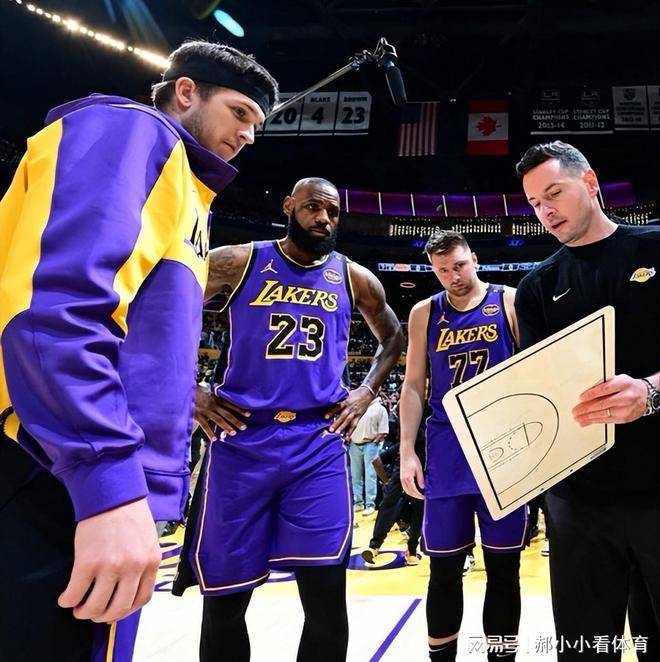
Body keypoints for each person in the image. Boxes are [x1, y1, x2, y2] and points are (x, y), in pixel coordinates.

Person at [0, 41, 278, 662]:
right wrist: (108, 482)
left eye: (257, 125)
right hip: (47, 464)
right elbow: (54, 309)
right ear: (186, 91)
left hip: (73, 466)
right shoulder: (133, 132)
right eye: (239, 112)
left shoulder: (186, 186)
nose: (248, 134)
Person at [173, 177, 404, 662]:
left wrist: (365, 393)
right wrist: (189, 390)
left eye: (333, 212)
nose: (324, 219)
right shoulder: (238, 261)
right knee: (225, 600)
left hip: (316, 442)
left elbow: (393, 336)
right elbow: (161, 311)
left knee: (326, 598)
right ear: (288, 207)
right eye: (313, 208)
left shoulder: (355, 278)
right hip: (241, 439)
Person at [514, 141, 660, 661]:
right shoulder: (536, 287)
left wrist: (652, 391)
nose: (545, 210)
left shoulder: (653, 248)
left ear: (591, 182)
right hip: (578, 501)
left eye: (554, 193)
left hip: (657, 490)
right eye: (535, 203)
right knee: (584, 649)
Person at [400, 230, 526, 662]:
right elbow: (413, 385)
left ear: (474, 259)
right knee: (443, 570)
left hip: (504, 454)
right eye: (442, 270)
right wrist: (407, 451)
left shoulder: (508, 301)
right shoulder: (424, 312)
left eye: (458, 265)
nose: (453, 276)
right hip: (447, 455)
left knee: (505, 570)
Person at [350, 394, 389, 515]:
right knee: (355, 475)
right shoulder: (357, 405)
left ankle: (370, 504)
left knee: (370, 476)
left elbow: (383, 431)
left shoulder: (380, 408)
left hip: (370, 444)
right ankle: (358, 503)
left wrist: (375, 442)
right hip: (354, 443)